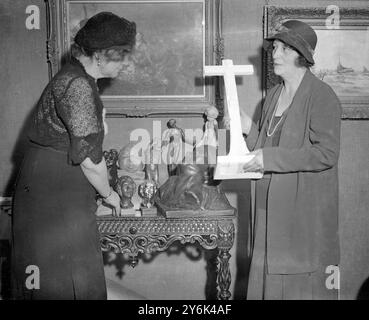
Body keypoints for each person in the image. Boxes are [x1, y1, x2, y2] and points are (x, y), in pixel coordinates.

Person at [11, 12, 136, 299]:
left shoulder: (79, 79)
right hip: (55, 193)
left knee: (66, 279)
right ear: (101, 56)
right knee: (65, 282)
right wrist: (109, 194)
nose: (127, 62)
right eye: (122, 55)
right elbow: (91, 160)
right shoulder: (78, 85)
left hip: (54, 186)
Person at [241, 20, 341, 299]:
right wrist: (243, 126)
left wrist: (269, 158)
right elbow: (261, 146)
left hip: (301, 213)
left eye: (284, 49)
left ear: (301, 56)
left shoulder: (322, 96)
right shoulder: (273, 95)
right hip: (268, 209)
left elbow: (327, 154)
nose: (274, 54)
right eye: (275, 47)